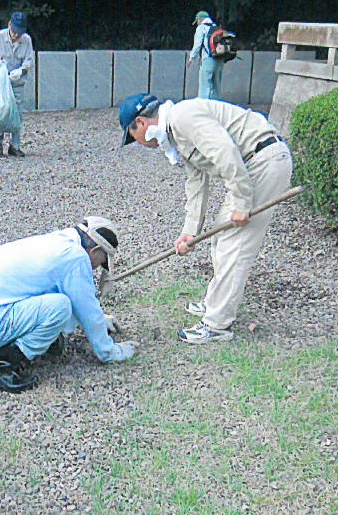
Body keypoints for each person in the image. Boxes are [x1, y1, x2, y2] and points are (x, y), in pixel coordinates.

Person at [119, 93, 293, 343]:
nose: (137, 143)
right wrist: (189, 233)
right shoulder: (176, 135)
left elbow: (225, 152)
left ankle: (217, 324)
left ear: (141, 123)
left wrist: (243, 202)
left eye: (132, 137)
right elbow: (197, 184)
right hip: (251, 165)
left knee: (236, 245)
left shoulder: (183, 117)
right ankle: (214, 303)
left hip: (262, 160)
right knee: (221, 237)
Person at [0, 218, 139, 392]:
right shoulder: (74, 257)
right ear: (94, 251)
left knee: (57, 301)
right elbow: (85, 307)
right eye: (100, 262)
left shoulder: (55, 242)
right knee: (60, 307)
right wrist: (110, 351)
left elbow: (66, 295)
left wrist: (101, 320)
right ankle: (1, 362)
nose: (95, 269)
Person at [0, 11, 35, 157]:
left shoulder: (27, 40)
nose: (16, 35)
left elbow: (28, 61)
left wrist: (21, 71)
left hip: (17, 82)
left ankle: (15, 146)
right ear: (9, 25)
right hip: (0, 81)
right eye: (14, 31)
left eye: (19, 32)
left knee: (17, 114)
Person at [187, 10, 222, 101]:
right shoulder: (216, 27)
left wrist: (191, 57)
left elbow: (197, 45)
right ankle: (217, 106)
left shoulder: (201, 28)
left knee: (205, 83)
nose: (197, 24)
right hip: (219, 58)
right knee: (216, 84)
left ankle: (203, 106)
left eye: (197, 21)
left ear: (200, 19)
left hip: (208, 58)